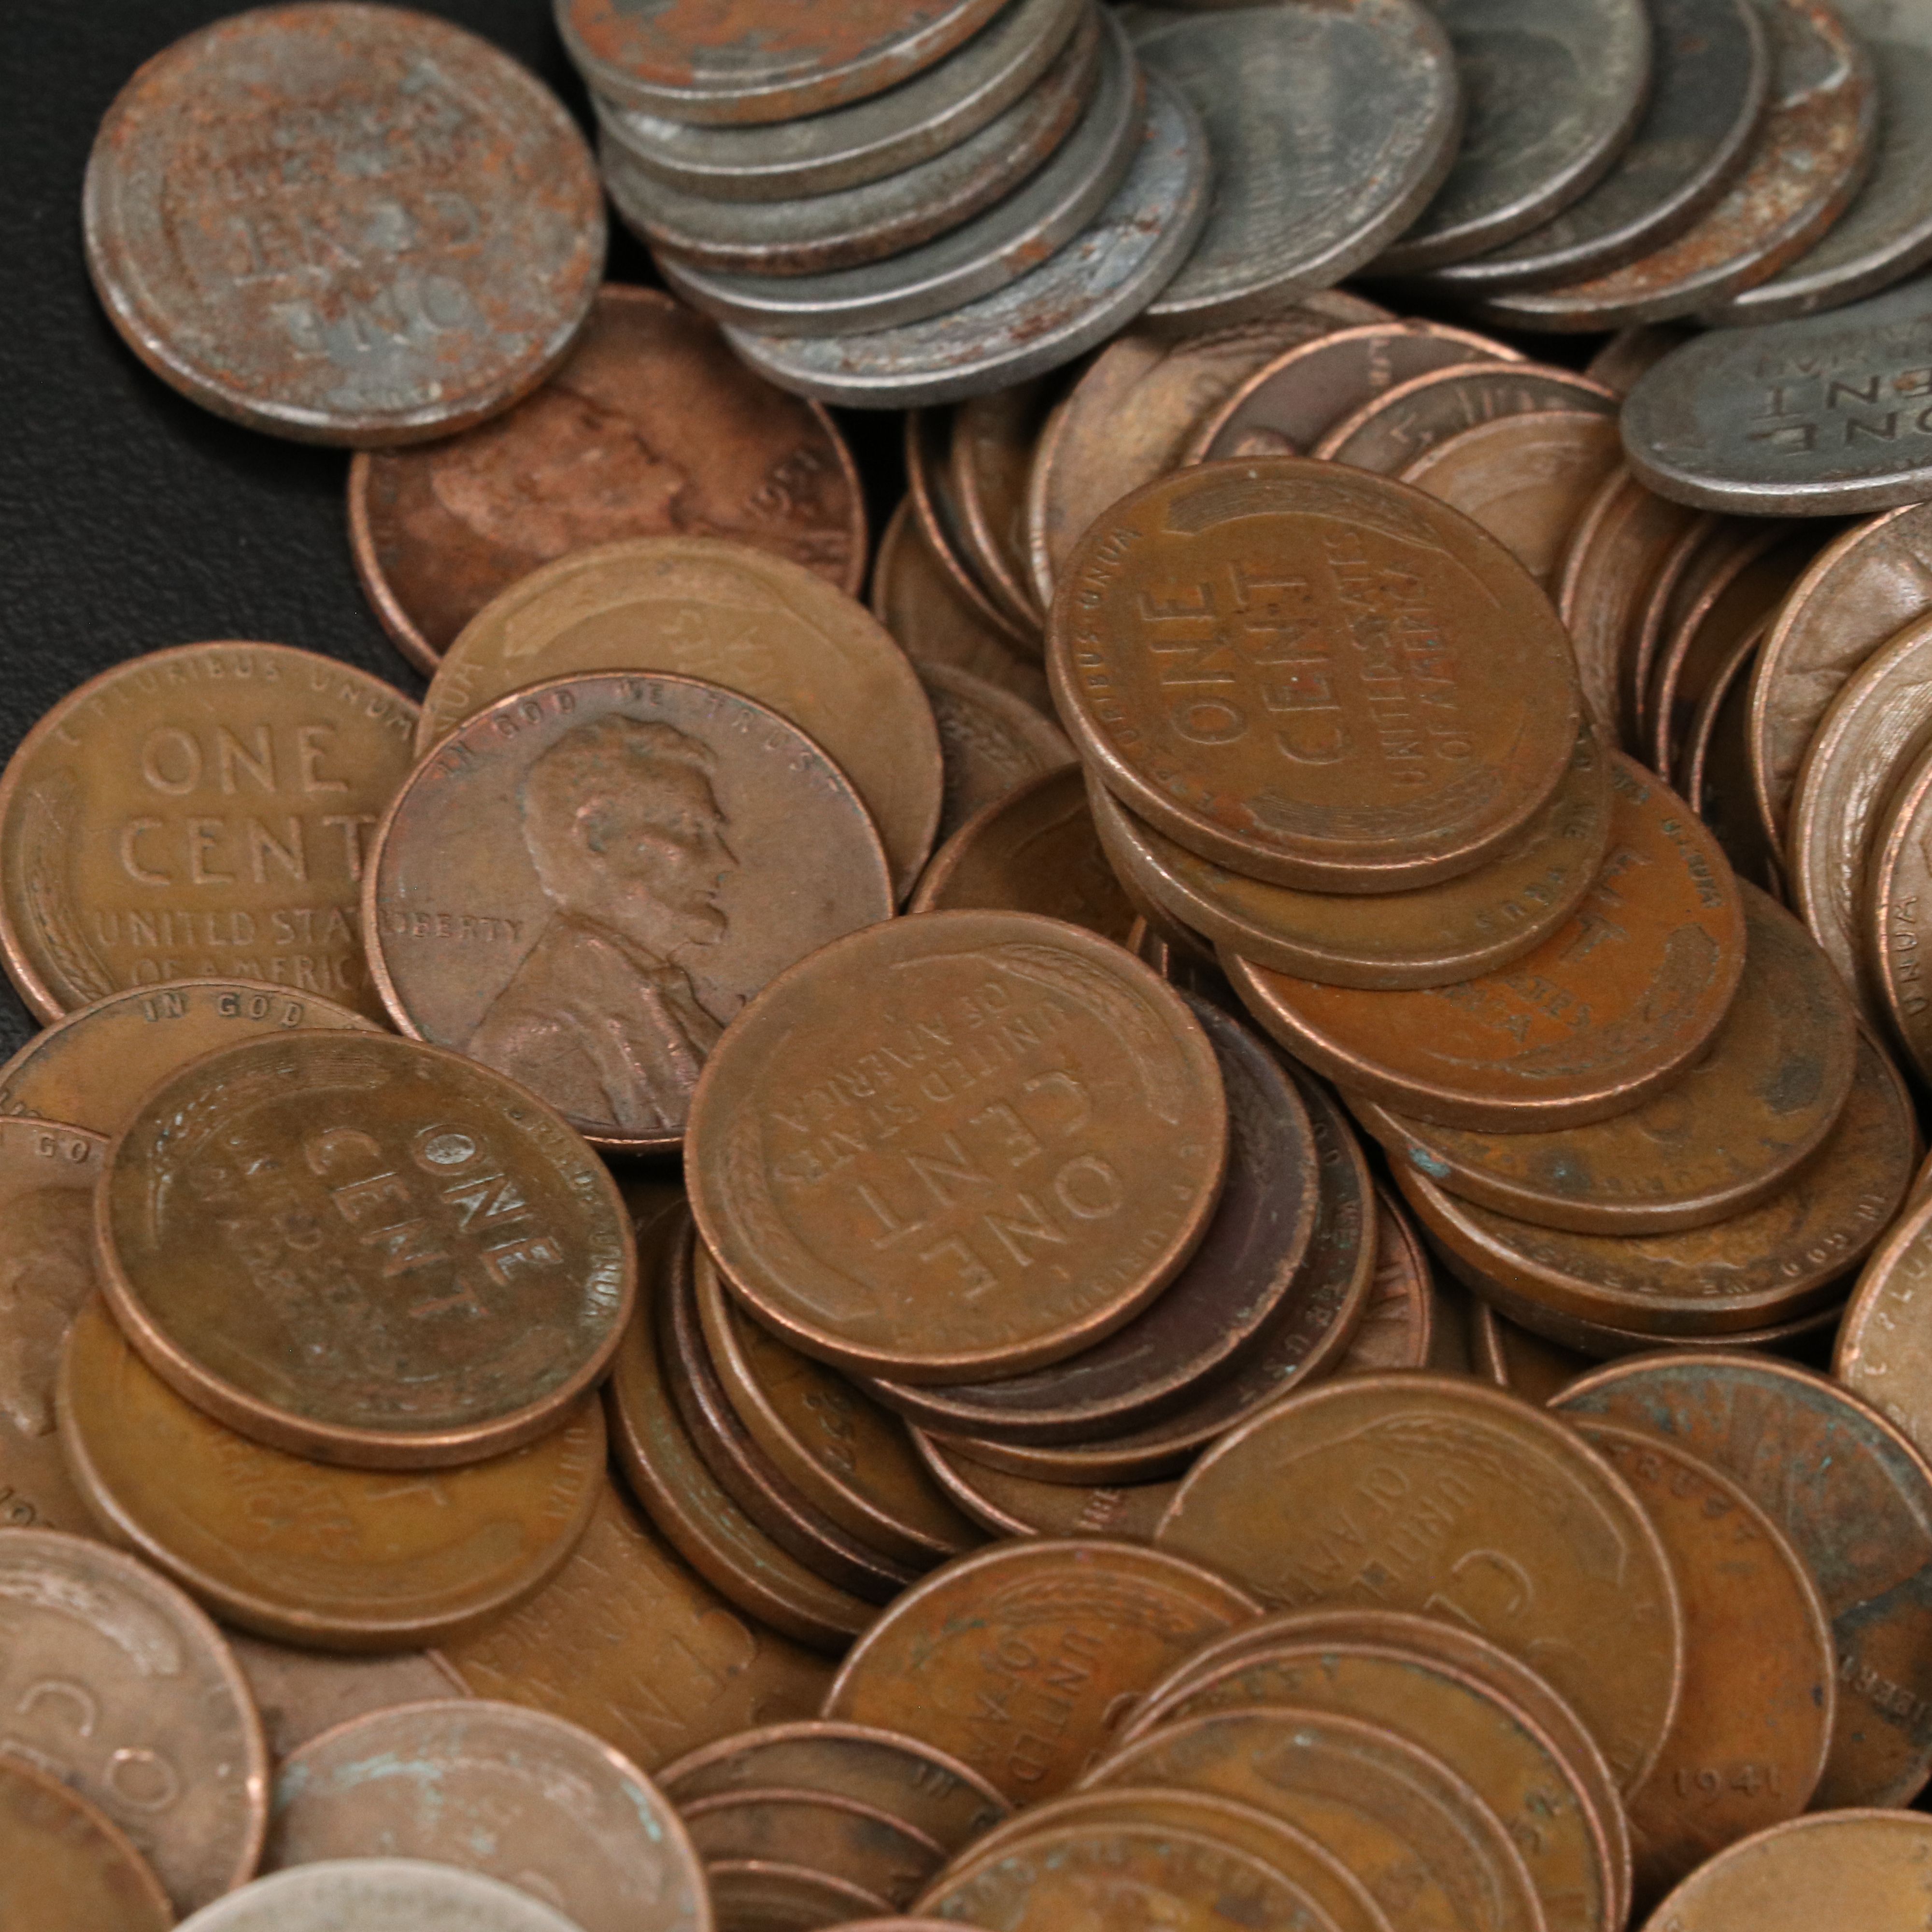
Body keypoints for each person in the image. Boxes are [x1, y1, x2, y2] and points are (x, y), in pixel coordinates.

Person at [469, 715, 739, 1138]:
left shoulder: (666, 991)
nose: (726, 863)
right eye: (692, 830)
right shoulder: (538, 1037)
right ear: (596, 837)